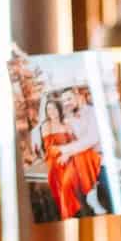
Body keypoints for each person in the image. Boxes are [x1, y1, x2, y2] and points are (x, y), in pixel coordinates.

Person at [35, 91, 105, 219]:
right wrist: (64, 152)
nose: (52, 112)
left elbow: (79, 141)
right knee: (69, 179)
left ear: (58, 109)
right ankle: (71, 209)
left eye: (54, 109)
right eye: (48, 109)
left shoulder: (67, 122)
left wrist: (68, 152)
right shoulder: (46, 125)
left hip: (72, 155)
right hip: (57, 156)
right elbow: (49, 148)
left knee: (84, 155)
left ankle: (90, 196)